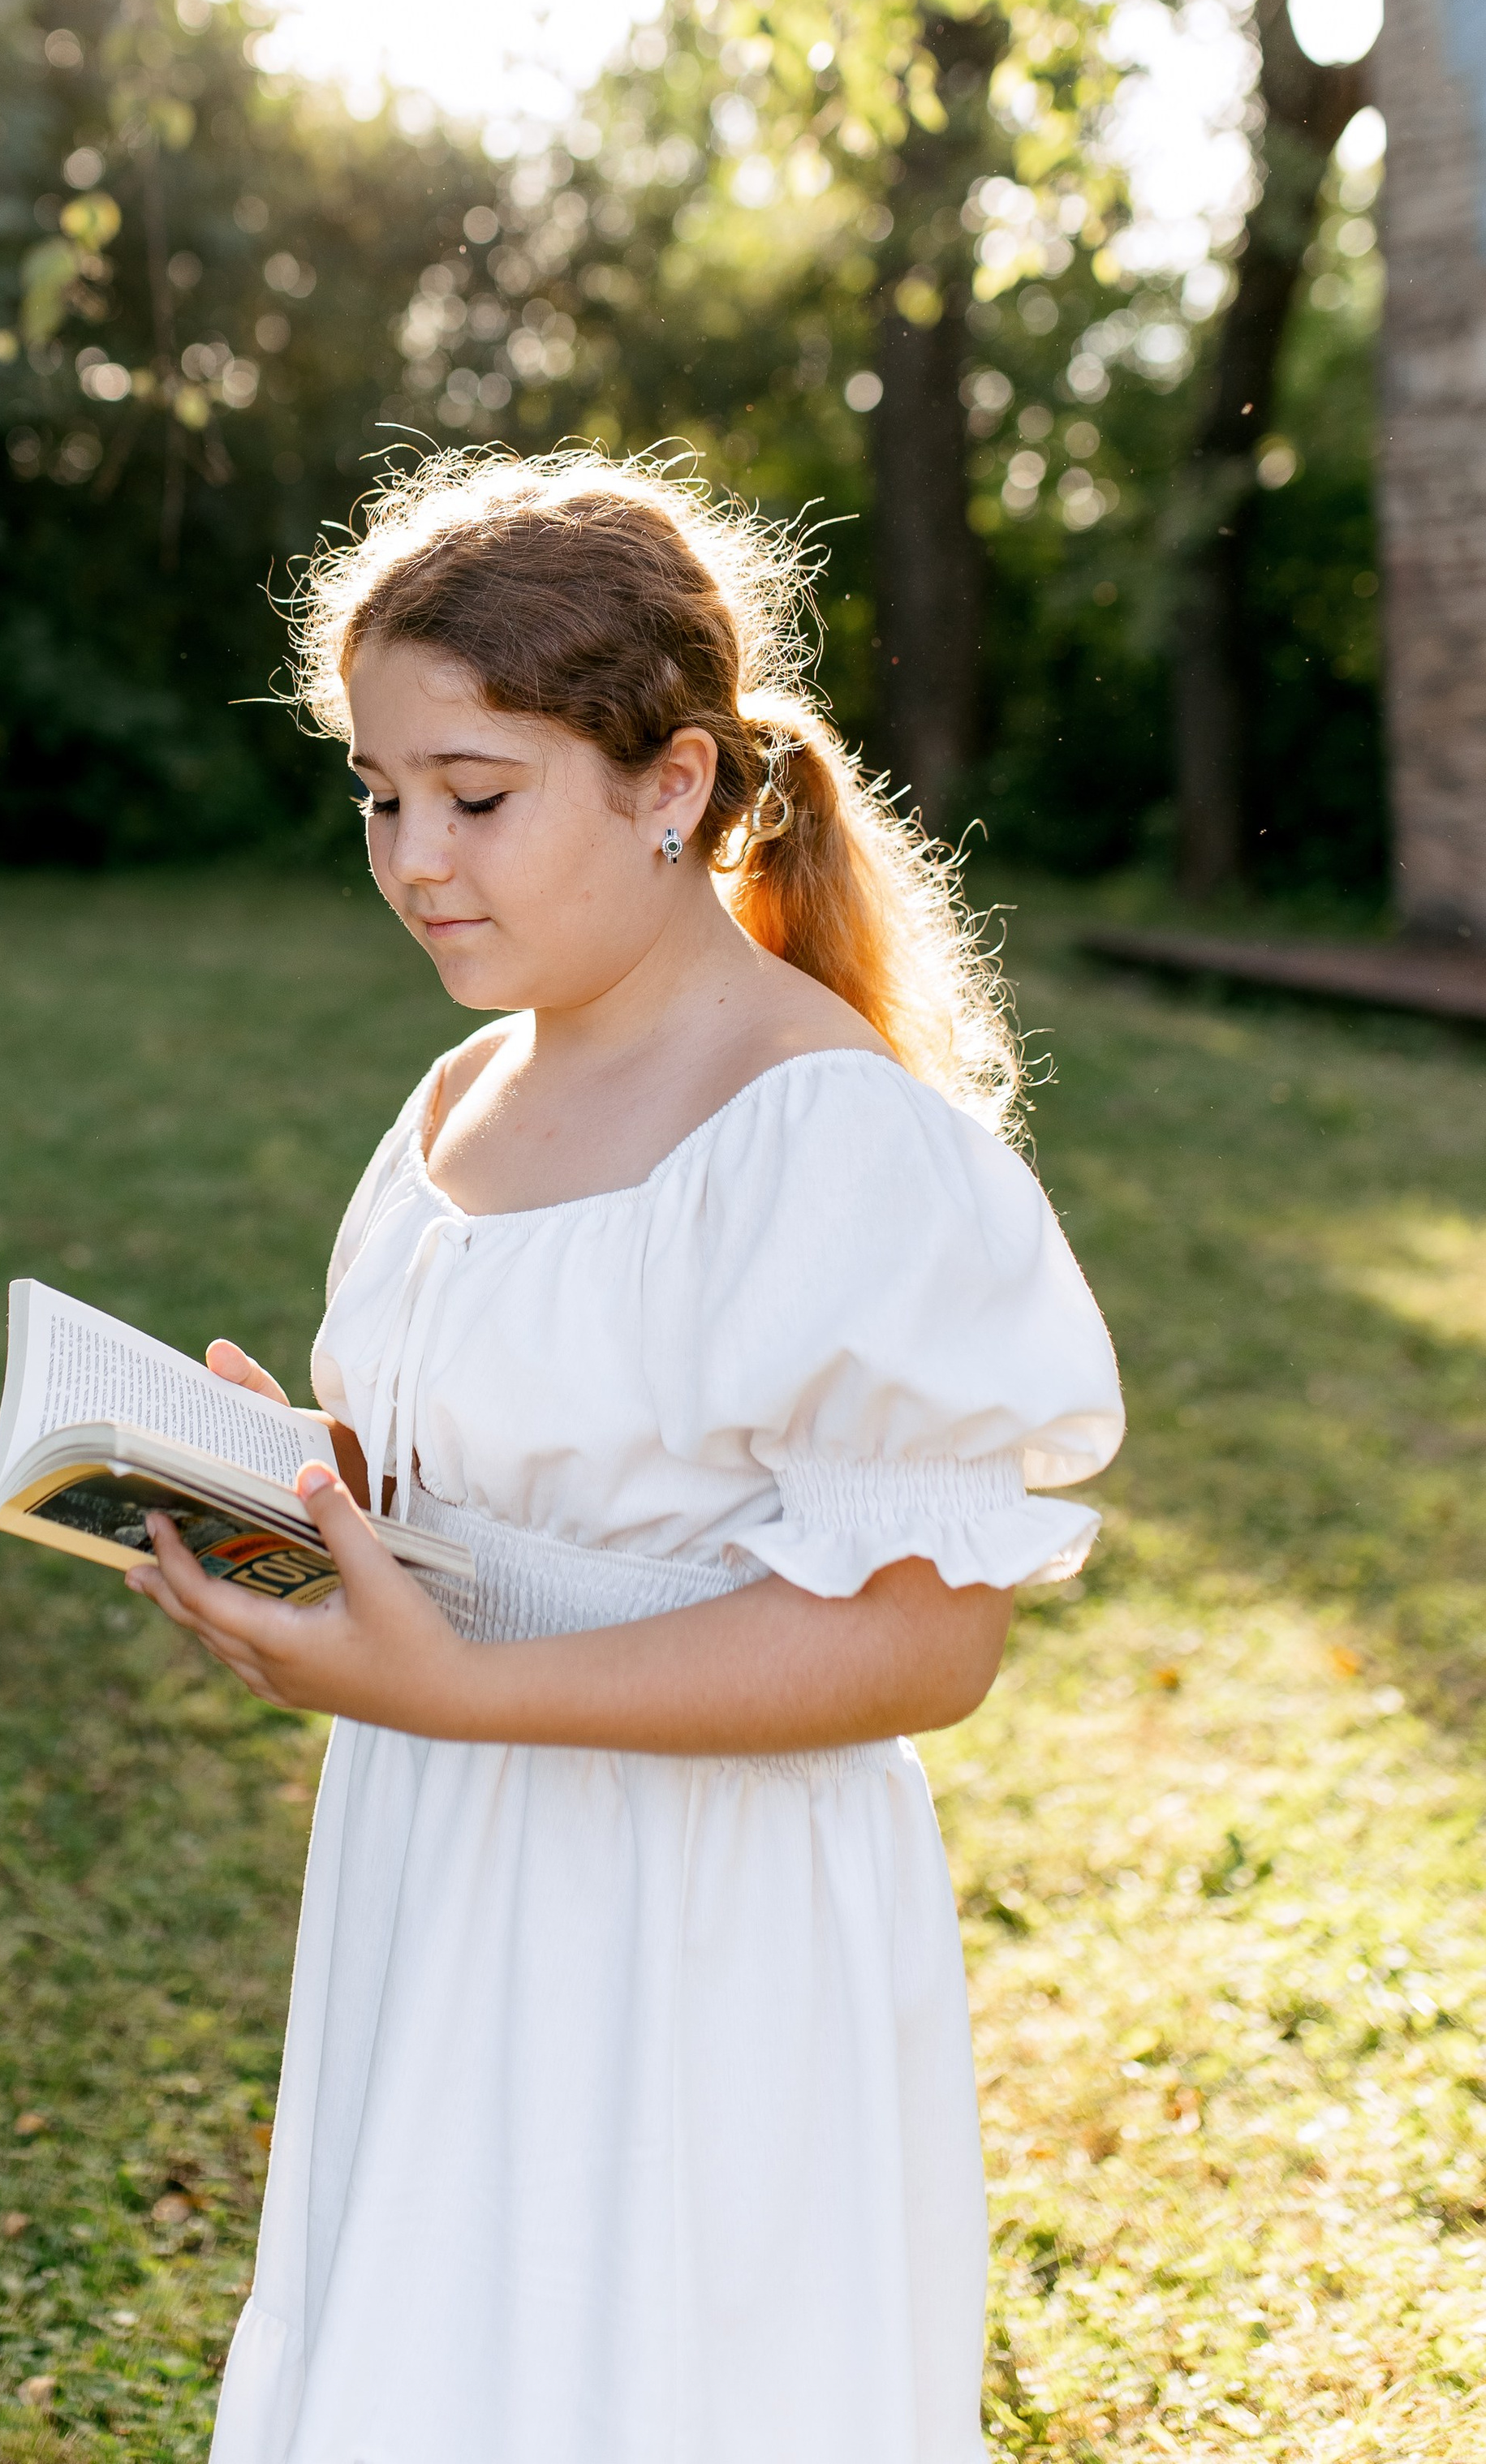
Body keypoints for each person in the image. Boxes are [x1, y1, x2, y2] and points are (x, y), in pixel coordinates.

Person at [129, 450, 1123, 2464]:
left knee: (645, 2366)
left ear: (667, 787)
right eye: (377, 795)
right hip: (444, 1846)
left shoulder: (828, 1141)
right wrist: (316, 1484)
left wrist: (470, 1685)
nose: (415, 856)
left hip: (688, 1902)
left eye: (474, 797)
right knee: (440, 2346)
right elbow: (535, 1460)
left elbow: (925, 1647)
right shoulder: (454, 1099)